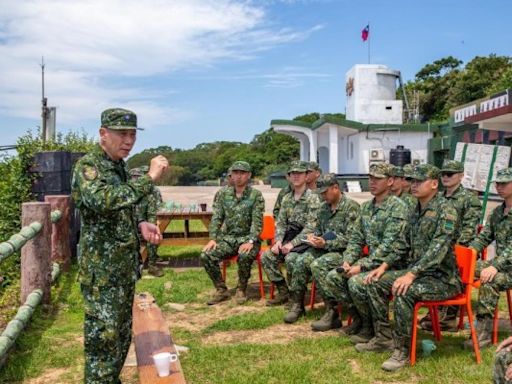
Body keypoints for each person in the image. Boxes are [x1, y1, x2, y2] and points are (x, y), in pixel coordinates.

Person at [72, 107, 168, 384]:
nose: (129, 141)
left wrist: (140, 224)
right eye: (122, 134)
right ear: (103, 134)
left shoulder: (118, 167)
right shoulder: (89, 166)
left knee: (121, 336)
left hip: (122, 268)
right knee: (104, 339)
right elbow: (104, 201)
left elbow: (120, 208)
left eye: (132, 135)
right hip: (102, 272)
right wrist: (149, 179)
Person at [375, 164, 461, 372]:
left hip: (442, 280)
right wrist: (384, 266)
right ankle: (382, 337)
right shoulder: (415, 208)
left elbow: (437, 250)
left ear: (433, 184)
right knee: (374, 281)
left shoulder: (447, 211)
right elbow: (403, 244)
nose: (413, 185)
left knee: (404, 291)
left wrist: (411, 275)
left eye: (418, 181)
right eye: (411, 181)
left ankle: (402, 350)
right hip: (418, 274)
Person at [324, 163, 409, 350]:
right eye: (370, 178)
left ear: (390, 181)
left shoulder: (398, 207)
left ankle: (377, 329)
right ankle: (363, 321)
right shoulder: (366, 208)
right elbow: (356, 239)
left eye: (377, 179)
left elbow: (389, 245)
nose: (372, 182)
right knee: (333, 277)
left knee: (357, 281)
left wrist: (361, 267)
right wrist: (348, 260)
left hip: (392, 263)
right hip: (371, 260)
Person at [420, 159, 481, 331]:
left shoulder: (469, 199)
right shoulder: (437, 197)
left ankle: (447, 316)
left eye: (449, 174)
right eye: (442, 174)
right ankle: (435, 311)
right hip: (438, 247)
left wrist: (452, 250)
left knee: (449, 265)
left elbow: (469, 229)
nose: (445, 177)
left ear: (461, 176)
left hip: (456, 250)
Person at [201, 161, 264, 305]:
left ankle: (241, 288)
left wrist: (251, 241)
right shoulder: (222, 194)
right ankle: (221, 289)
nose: (239, 176)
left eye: (242, 173)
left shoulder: (255, 195)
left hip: (248, 239)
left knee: (244, 255)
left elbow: (257, 221)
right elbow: (217, 218)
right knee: (206, 255)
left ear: (248, 175)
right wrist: (213, 238)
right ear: (231, 175)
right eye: (236, 173)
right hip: (228, 239)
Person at [463, 167, 512, 350]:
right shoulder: (499, 212)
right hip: (501, 265)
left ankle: (483, 332)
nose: (499, 187)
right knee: (460, 268)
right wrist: (468, 254)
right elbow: (484, 237)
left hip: (507, 267)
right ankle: (448, 316)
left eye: (504, 183)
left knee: (489, 281)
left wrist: (495, 267)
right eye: (497, 183)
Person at [262, 160, 321, 307]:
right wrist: (278, 241)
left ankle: (296, 296)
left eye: (299, 173)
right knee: (267, 257)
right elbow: (281, 222)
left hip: (305, 242)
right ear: (289, 176)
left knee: (291, 259)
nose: (296, 176)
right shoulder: (287, 198)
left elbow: (311, 227)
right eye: (292, 173)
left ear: (306, 176)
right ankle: (284, 291)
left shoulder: (313, 198)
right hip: (288, 238)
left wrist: (292, 244)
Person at [306, 174, 359, 330]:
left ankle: (333, 310)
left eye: (325, 192)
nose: (323, 196)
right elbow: (319, 230)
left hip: (344, 253)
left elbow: (352, 239)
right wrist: (314, 237)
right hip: (325, 249)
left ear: (335, 188)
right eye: (320, 193)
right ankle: (296, 302)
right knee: (301, 260)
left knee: (317, 265)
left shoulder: (351, 207)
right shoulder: (324, 208)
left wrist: (326, 243)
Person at [130, 166, 164, 277]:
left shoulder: (150, 194)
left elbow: (154, 211)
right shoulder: (127, 193)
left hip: (145, 224)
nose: (135, 180)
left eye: (138, 177)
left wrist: (155, 223)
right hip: (130, 226)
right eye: (133, 177)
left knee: (154, 234)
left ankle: (152, 265)